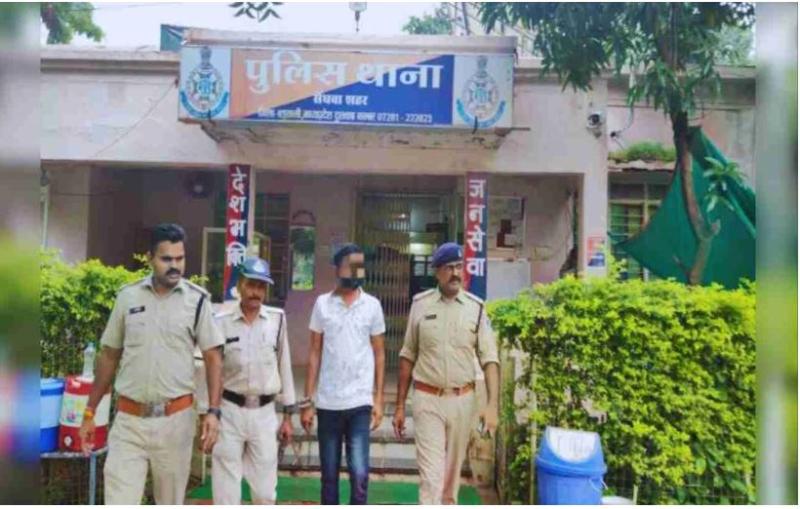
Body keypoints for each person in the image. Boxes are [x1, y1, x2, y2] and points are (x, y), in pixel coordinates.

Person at [79, 223, 224, 505]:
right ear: (149, 258)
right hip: (129, 423)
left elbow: (213, 357)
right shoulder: (127, 297)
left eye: (180, 258)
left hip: (175, 423)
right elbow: (109, 355)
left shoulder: (197, 301)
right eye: (166, 259)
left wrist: (213, 412)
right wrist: (89, 411)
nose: (175, 266)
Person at [392, 242, 500, 505]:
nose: (455, 273)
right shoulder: (420, 305)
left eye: (459, 267)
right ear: (437, 272)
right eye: (449, 268)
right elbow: (408, 355)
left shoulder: (476, 308)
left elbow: (490, 359)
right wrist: (399, 406)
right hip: (427, 399)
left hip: (463, 402)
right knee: (432, 479)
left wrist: (492, 406)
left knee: (450, 486)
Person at [300, 243, 386, 505]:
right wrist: (308, 401)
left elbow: (379, 353)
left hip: (359, 402)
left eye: (360, 265)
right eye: (351, 265)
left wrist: (378, 399)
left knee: (359, 474)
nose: (357, 271)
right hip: (328, 403)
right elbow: (314, 352)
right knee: (329, 475)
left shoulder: (372, 305)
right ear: (338, 268)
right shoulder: (322, 304)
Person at [211, 256, 296, 505]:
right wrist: (209, 413)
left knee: (265, 492)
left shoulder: (277, 320)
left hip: (264, 414)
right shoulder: (221, 321)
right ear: (239, 285)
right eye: (251, 285)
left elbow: (284, 365)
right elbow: (211, 370)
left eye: (261, 286)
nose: (255, 292)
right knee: (226, 492)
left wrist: (288, 416)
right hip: (229, 411)